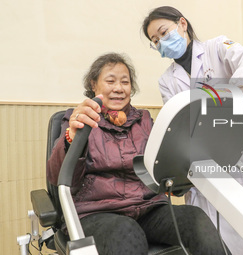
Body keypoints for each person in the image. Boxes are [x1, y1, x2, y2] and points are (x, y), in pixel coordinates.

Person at [142, 6, 243, 255]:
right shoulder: (167, 80)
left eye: (163, 33)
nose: (162, 43)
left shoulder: (216, 48)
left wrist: (237, 92)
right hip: (203, 162)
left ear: (182, 24)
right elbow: (178, 121)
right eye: (155, 41)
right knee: (223, 238)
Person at [46, 53, 229, 255]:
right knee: (126, 231)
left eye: (125, 82)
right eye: (110, 81)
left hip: (149, 208)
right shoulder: (79, 119)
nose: (118, 88)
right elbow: (59, 178)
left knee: (195, 219)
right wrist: (72, 137)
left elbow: (160, 165)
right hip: (96, 212)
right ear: (94, 84)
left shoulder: (144, 120)